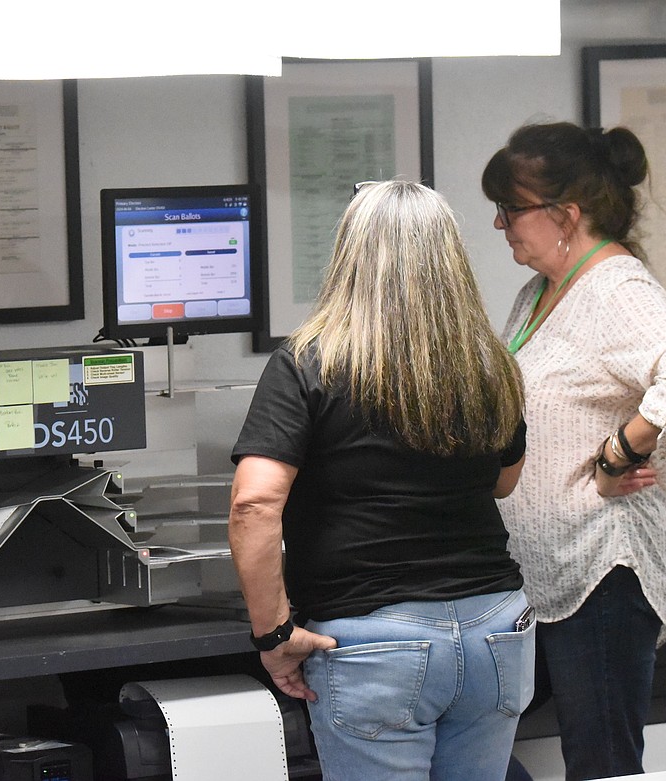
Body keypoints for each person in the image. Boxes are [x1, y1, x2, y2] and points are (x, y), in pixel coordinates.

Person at [228, 179, 535, 780]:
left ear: (349, 255)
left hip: (373, 640)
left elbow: (255, 504)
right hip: (496, 628)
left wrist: (274, 635)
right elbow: (502, 482)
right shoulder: (490, 363)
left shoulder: (309, 362)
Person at [482, 121, 666, 780]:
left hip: (604, 569)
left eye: (512, 209)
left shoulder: (616, 287)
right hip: (541, 572)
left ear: (565, 214)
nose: (502, 223)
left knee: (602, 764)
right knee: (472, 741)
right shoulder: (535, 293)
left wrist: (621, 450)